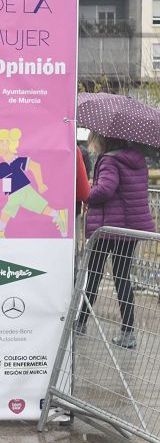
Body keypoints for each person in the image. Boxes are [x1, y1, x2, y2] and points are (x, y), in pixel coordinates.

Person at [77, 132, 156, 349]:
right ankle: (128, 332)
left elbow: (105, 190)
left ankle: (81, 322)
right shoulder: (136, 159)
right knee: (122, 277)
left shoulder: (110, 159)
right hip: (130, 229)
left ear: (103, 138)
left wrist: (87, 195)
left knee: (93, 273)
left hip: (109, 228)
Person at [0, 126, 69, 238]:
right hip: (20, 192)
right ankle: (58, 214)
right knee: (40, 208)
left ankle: (0, 230)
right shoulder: (3, 167)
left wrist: (40, 184)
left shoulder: (16, 161)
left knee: (9, 207)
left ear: (7, 144)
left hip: (22, 191)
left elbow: (35, 166)